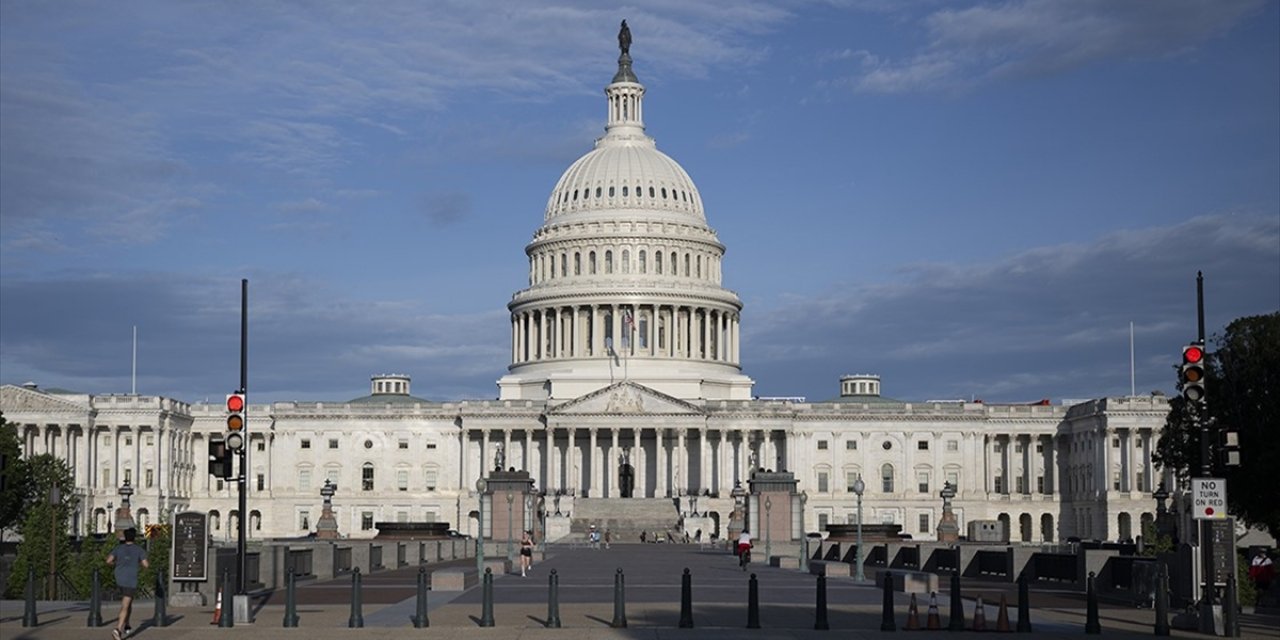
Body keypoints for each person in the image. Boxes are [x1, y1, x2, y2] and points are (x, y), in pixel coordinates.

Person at [106, 527, 150, 640]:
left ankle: (127, 624)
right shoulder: (139, 550)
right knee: (125, 605)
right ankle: (117, 629)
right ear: (134, 537)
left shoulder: (118, 548)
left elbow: (108, 560)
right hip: (130, 579)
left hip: (119, 577)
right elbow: (146, 565)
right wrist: (138, 562)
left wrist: (117, 564)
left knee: (129, 602)